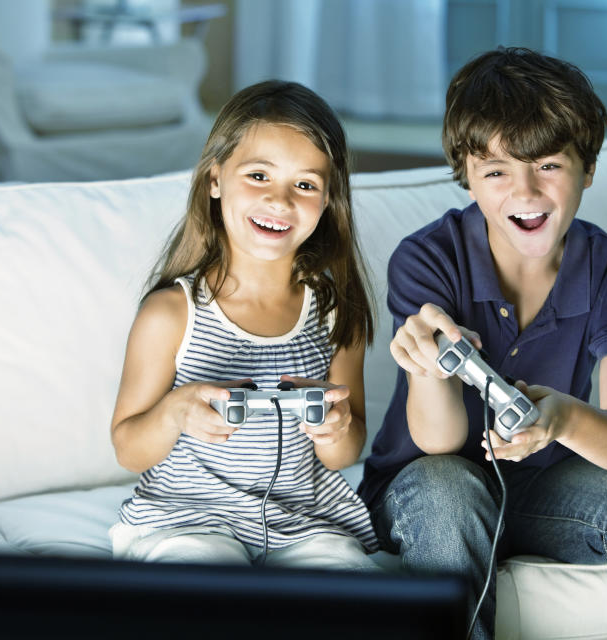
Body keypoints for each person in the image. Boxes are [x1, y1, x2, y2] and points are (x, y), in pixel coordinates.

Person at [358, 47, 607, 639]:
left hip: (545, 484)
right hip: (428, 480)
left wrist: (564, 419)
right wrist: (429, 370)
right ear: (467, 175)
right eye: (495, 171)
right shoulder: (426, 260)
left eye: (548, 165)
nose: (524, 191)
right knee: (449, 494)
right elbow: (438, 441)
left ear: (588, 168)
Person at [109, 80, 378, 570]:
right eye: (258, 175)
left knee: (352, 593)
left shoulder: (338, 313)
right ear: (215, 180)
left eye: (305, 185)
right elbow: (128, 449)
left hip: (304, 523)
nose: (280, 201)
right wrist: (175, 412)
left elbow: (346, 452)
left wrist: (335, 429)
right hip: (186, 520)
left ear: (328, 201)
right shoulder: (170, 314)